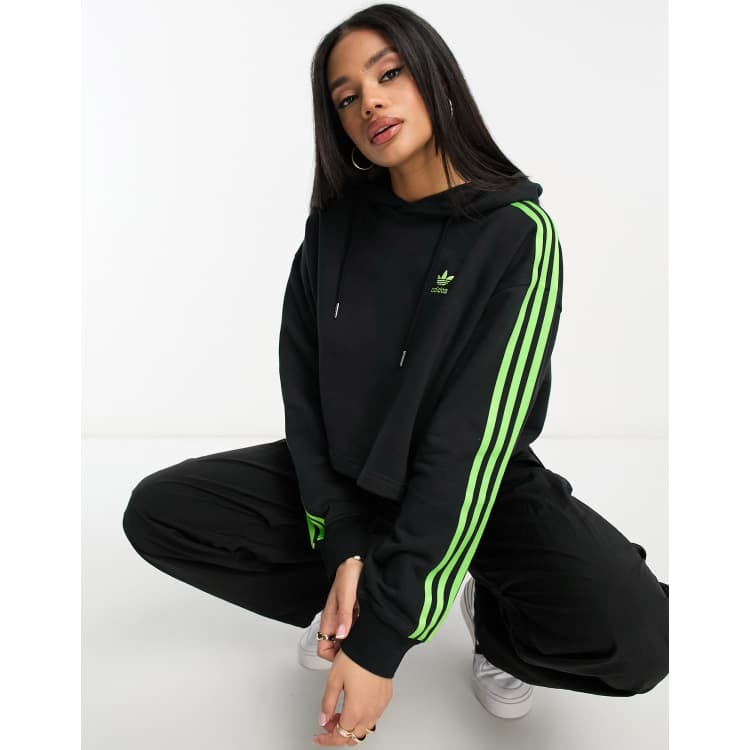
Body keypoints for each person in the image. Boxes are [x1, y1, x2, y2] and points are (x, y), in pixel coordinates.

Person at [122, 4, 668, 746]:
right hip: (356, 480)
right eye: (346, 97)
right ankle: (349, 594)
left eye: (389, 74)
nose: (369, 103)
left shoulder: (516, 233)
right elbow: (306, 403)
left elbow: (470, 443)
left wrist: (382, 644)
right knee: (162, 511)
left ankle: (492, 628)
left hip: (477, 486)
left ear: (434, 77)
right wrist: (343, 541)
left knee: (640, 640)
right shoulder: (334, 228)